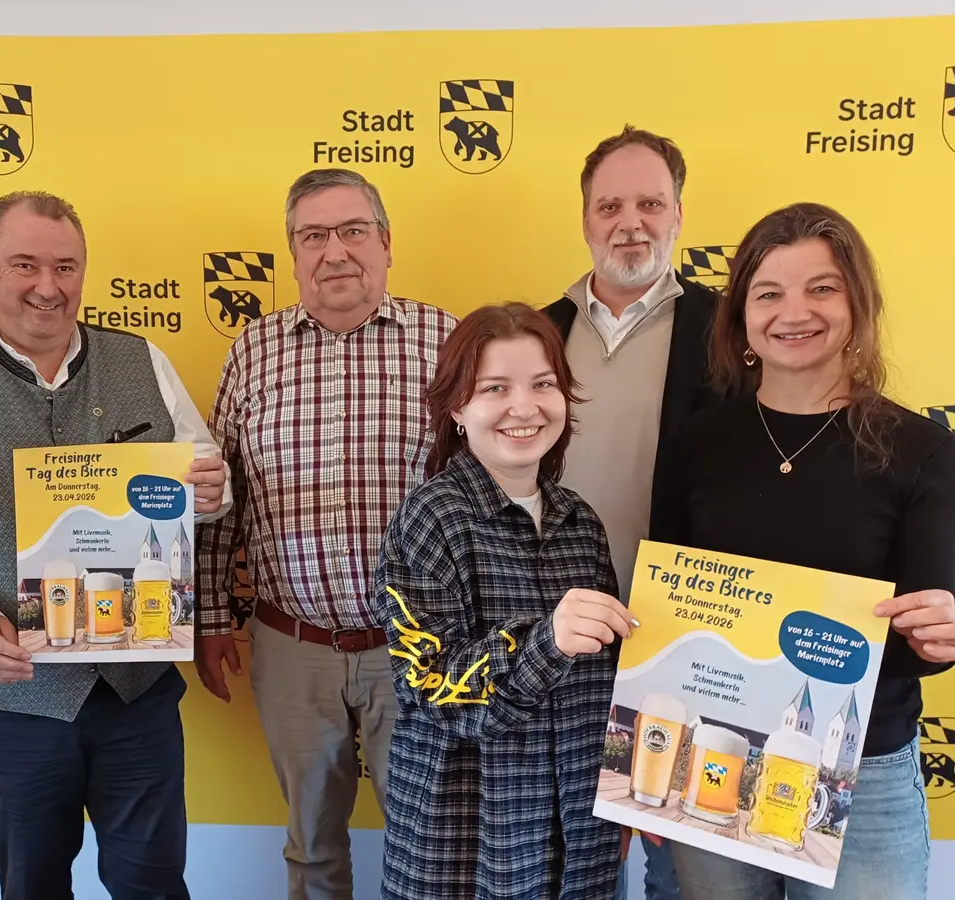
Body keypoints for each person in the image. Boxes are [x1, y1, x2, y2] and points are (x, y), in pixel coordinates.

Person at [0, 190, 230, 900]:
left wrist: (214, 496)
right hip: (15, 702)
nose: (47, 286)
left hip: (138, 695)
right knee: (32, 887)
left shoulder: (143, 361)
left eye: (66, 267)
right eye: (24, 265)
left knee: (155, 885)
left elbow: (205, 482)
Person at [651, 202, 955, 900]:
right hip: (716, 750)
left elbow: (922, 646)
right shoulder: (696, 445)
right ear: (740, 319)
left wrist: (936, 637)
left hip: (865, 766)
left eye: (821, 288)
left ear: (857, 302)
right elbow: (668, 612)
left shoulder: (921, 451)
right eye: (769, 293)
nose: (794, 311)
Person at [194, 168, 457, 900]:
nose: (334, 251)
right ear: (293, 253)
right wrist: (213, 620)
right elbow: (223, 500)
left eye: (352, 231)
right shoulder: (253, 350)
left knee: (430, 847)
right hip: (293, 645)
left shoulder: (446, 341)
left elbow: (484, 493)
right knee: (311, 850)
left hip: (414, 648)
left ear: (386, 244)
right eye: (313, 236)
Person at [372, 301, 630, 900]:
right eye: (495, 388)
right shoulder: (430, 518)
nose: (525, 407)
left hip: (577, 824)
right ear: (458, 408)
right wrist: (547, 643)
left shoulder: (580, 523)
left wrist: (624, 794)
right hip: (465, 826)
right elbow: (430, 685)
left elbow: (611, 685)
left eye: (544, 384)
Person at [541, 125, 722, 900]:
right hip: (562, 640)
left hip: (685, 638)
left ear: (679, 213)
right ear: (584, 219)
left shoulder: (733, 330)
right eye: (610, 205)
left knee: (682, 866)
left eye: (650, 203)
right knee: (577, 860)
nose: (630, 222)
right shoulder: (540, 330)